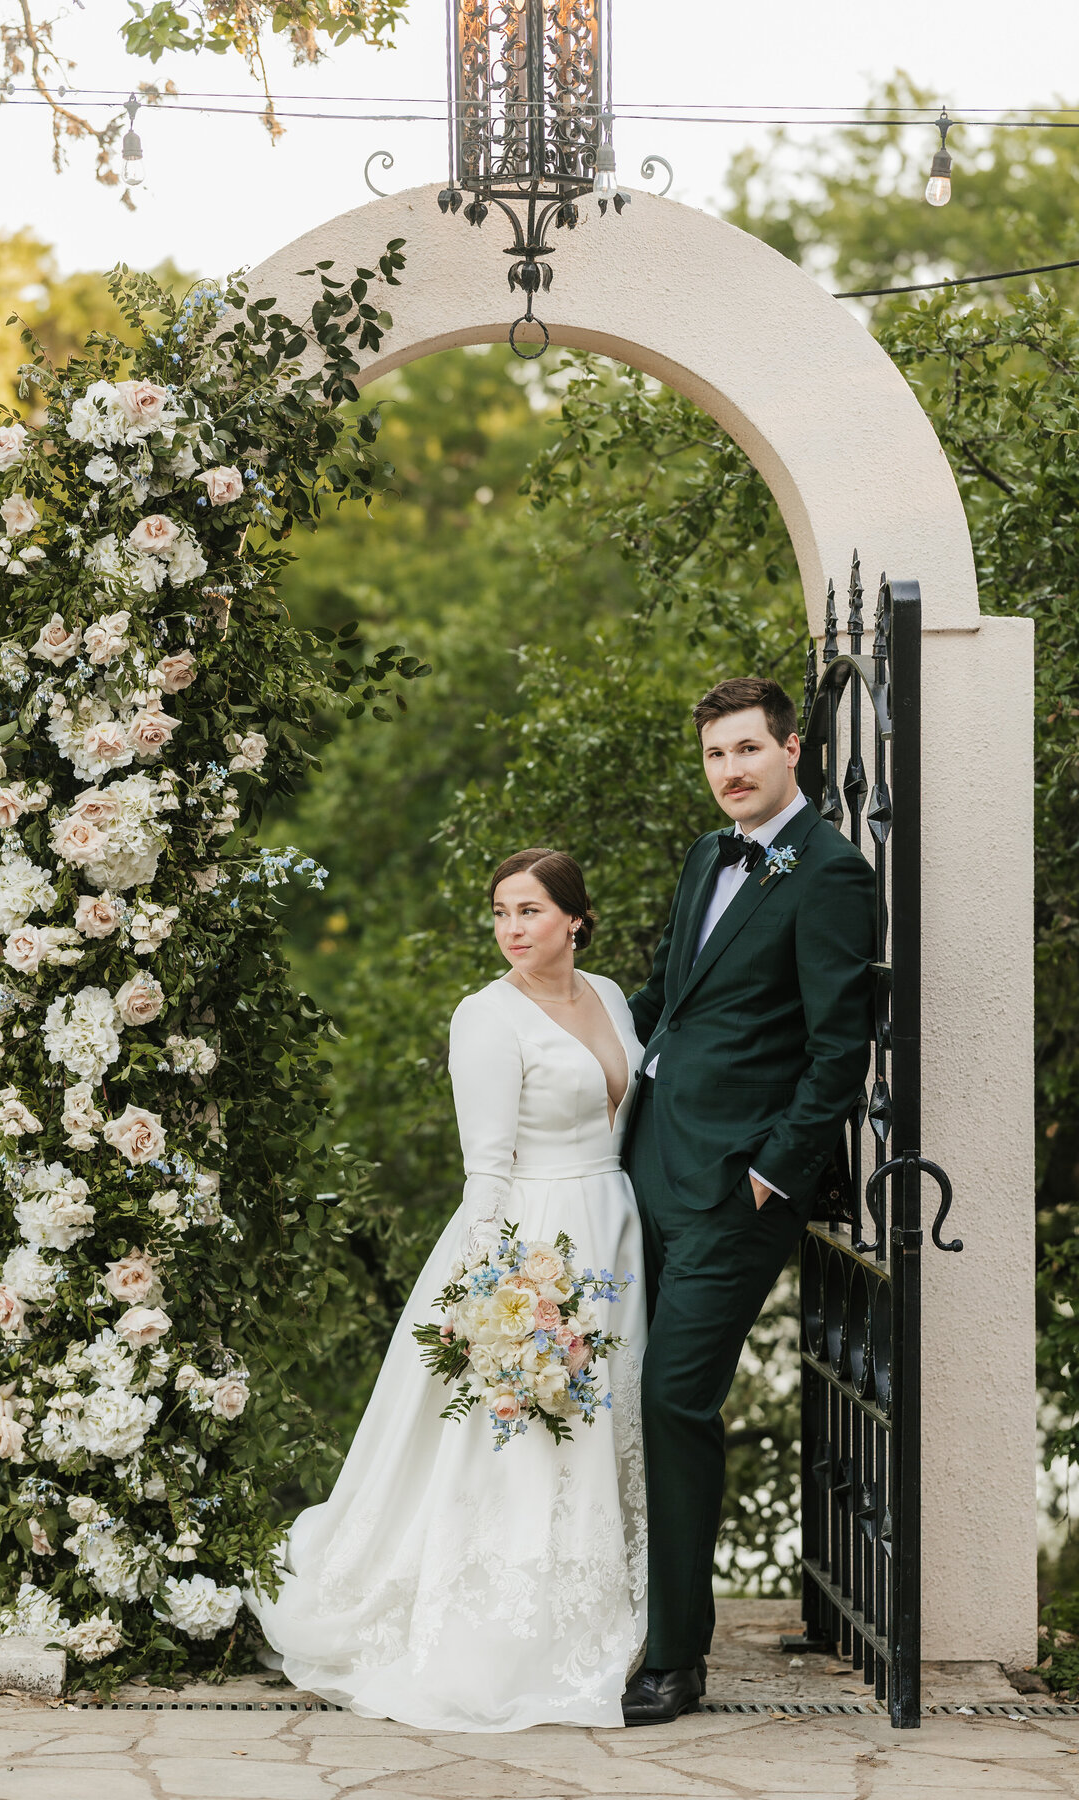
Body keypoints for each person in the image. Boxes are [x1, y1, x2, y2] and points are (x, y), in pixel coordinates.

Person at [247, 848, 648, 1731]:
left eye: (530, 911)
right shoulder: (484, 1017)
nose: (511, 929)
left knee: (601, 1417)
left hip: (612, 1226)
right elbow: (488, 1167)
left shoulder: (612, 997)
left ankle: (601, 1606)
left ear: (575, 918)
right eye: (501, 912)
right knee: (524, 1428)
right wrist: (492, 1290)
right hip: (531, 1239)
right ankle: (507, 1625)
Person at [621, 676, 874, 1726]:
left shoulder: (831, 874)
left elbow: (838, 1049)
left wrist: (773, 1172)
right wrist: (551, 1039)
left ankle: (676, 1656)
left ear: (793, 750)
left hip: (736, 1194)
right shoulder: (702, 856)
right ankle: (605, 1618)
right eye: (717, 755)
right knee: (613, 1394)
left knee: (674, 1399)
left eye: (747, 751)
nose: (730, 772)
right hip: (644, 1167)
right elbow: (667, 1001)